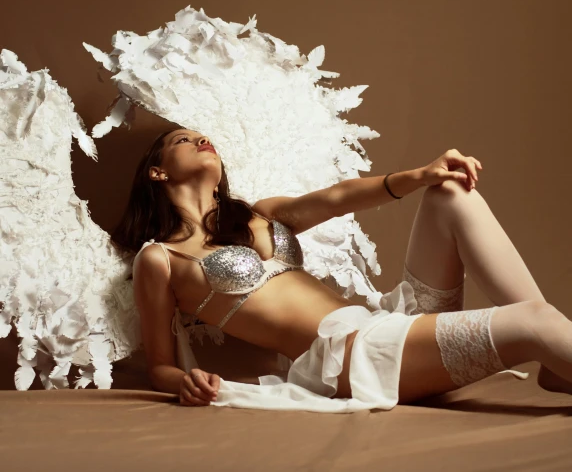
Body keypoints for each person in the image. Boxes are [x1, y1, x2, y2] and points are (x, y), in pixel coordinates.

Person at [115, 126, 569, 412]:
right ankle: (553, 346)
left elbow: (336, 197)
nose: (199, 139)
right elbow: (159, 365)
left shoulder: (259, 214)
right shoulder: (162, 258)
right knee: (537, 323)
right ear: (157, 173)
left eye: (203, 136)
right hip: (354, 359)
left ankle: (556, 363)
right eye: (182, 140)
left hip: (390, 325)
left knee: (450, 194)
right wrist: (186, 382)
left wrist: (423, 174)